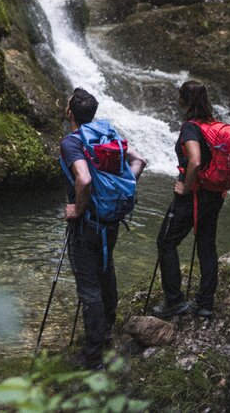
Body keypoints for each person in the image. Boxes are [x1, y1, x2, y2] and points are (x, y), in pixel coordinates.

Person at [59, 87, 148, 369]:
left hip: (86, 224)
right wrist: (124, 188)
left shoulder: (71, 143)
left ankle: (93, 356)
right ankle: (107, 333)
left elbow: (83, 180)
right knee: (105, 271)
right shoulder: (107, 134)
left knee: (89, 289)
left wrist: (78, 208)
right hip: (110, 222)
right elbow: (139, 160)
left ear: (70, 112)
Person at [152, 79, 226, 320]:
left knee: (166, 241)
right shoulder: (213, 125)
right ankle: (205, 304)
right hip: (214, 194)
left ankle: (174, 302)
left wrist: (186, 186)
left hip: (194, 195)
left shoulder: (191, 128)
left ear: (183, 101)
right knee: (206, 244)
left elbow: (193, 160)